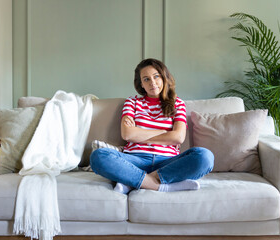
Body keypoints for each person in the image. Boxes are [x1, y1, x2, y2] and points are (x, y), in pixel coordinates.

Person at [90, 58, 214, 194]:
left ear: (164, 78)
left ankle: (133, 181)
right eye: (146, 79)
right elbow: (127, 135)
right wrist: (163, 132)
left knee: (205, 156)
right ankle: (159, 185)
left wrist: (139, 134)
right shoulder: (132, 102)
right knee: (98, 156)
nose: (152, 83)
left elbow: (178, 137)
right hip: (134, 160)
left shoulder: (178, 104)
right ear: (141, 84)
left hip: (167, 162)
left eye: (156, 76)